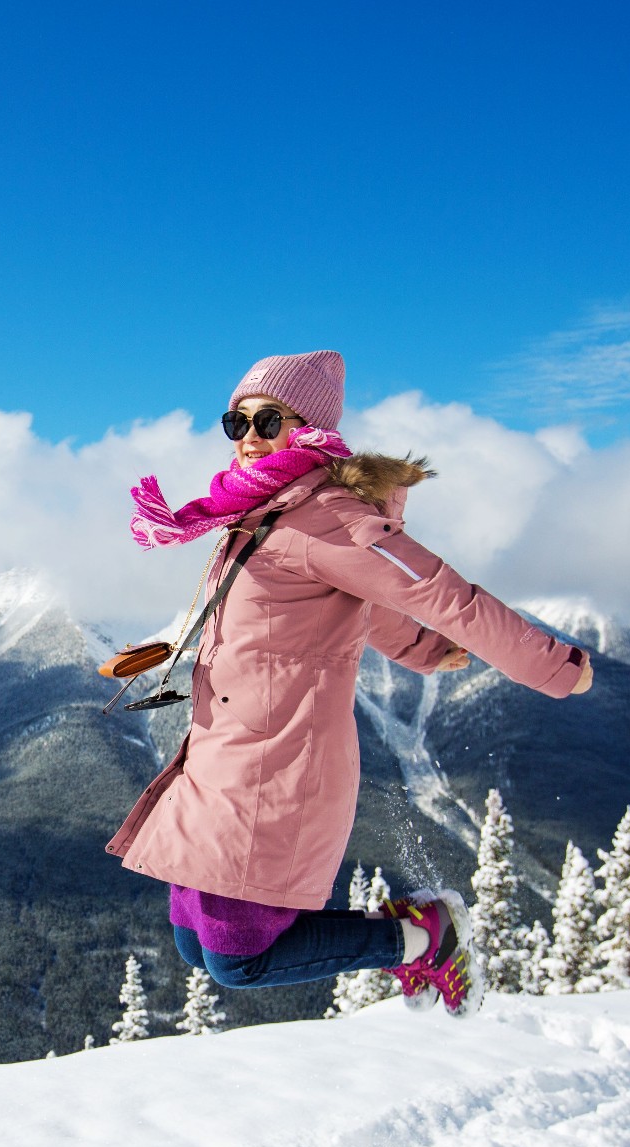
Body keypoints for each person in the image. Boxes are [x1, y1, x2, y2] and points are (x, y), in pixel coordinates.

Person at [107, 350, 593, 1017]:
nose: (249, 435)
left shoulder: (323, 515)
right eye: (236, 421)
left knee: (238, 957)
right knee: (196, 945)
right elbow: (359, 602)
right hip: (222, 752)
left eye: (267, 418)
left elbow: (433, 588)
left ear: (309, 427)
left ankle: (423, 938)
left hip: (269, 765)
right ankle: (412, 934)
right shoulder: (263, 507)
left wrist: (552, 664)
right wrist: (422, 649)